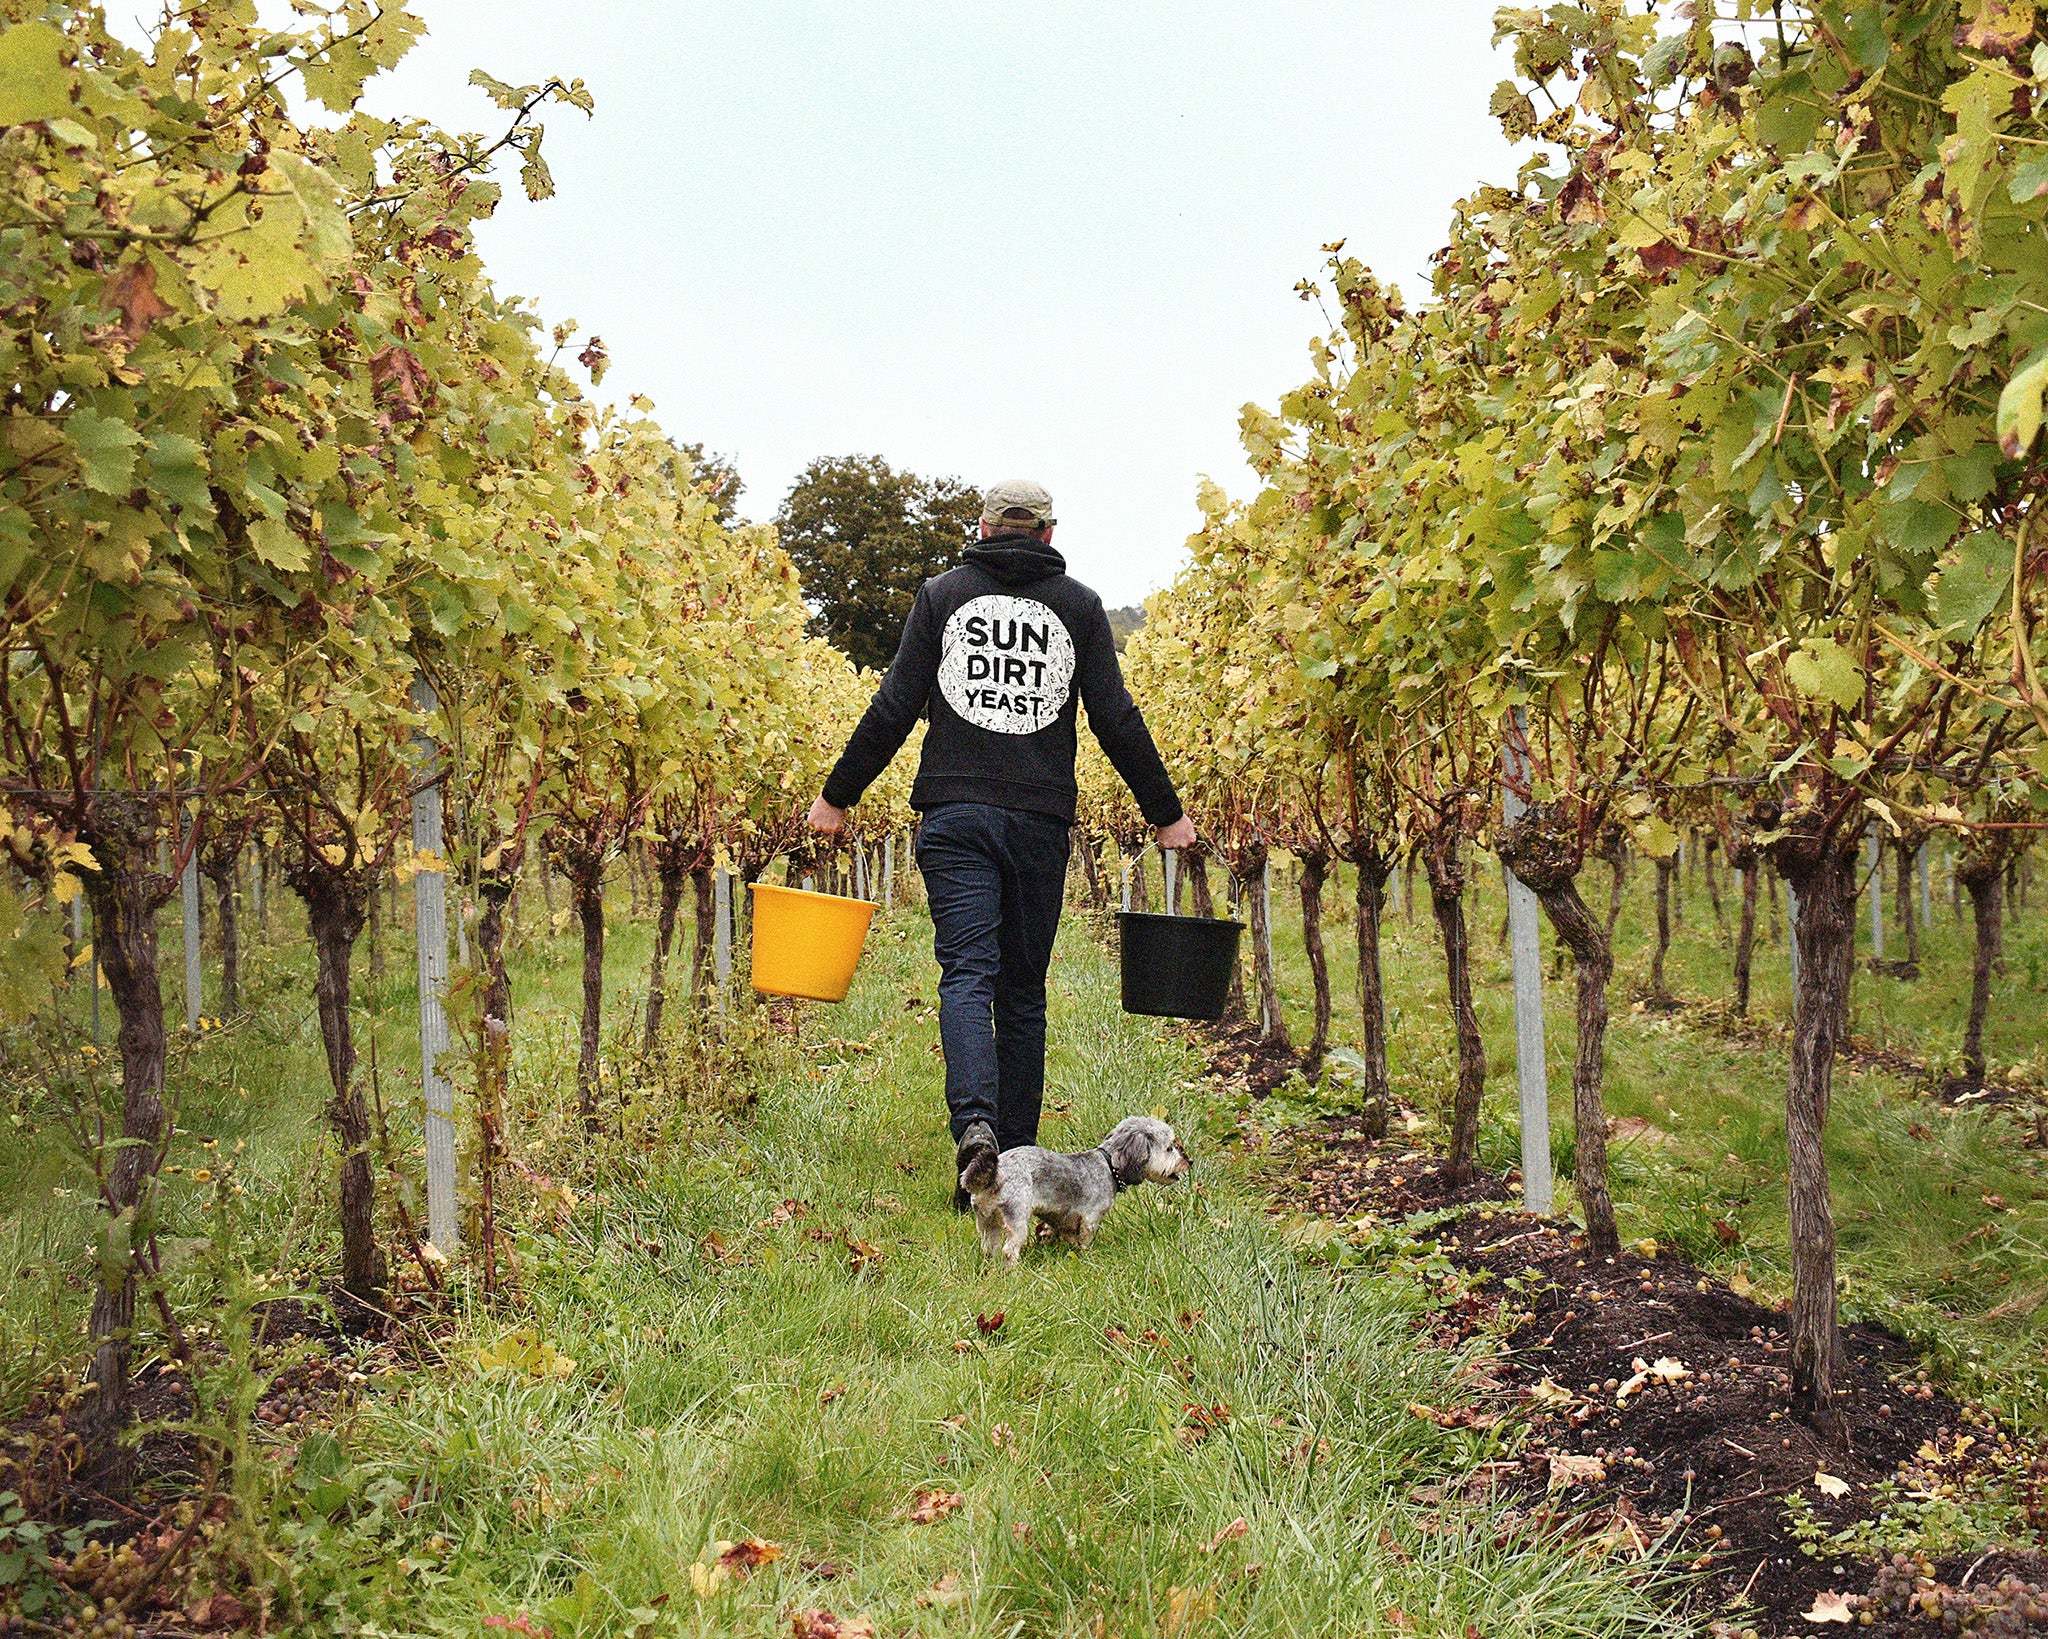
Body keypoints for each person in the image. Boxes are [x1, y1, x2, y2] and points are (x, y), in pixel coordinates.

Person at [808, 478, 1195, 1206]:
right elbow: (1115, 716)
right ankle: (1012, 1161)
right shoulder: (1077, 605)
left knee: (967, 976)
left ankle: (976, 1132)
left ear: (983, 528)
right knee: (1021, 994)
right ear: (1047, 534)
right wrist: (1164, 811)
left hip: (954, 817)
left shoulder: (943, 595)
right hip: (1037, 825)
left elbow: (895, 702)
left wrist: (838, 795)